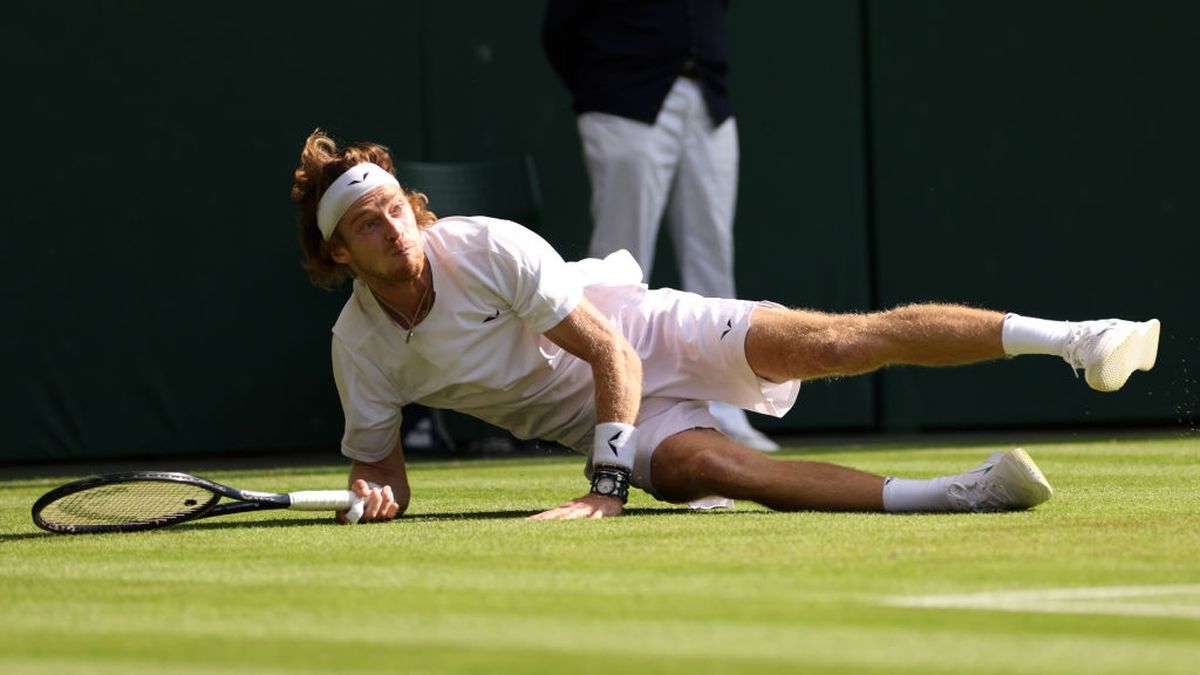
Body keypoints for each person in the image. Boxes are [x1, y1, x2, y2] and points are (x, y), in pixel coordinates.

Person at [290, 130, 1161, 523]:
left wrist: (606, 486)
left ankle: (1078, 338)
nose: (394, 227)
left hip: (647, 337)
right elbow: (382, 468)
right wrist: (376, 495)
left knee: (835, 342)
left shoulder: (485, 247)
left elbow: (609, 349)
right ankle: (964, 493)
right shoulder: (358, 349)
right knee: (714, 469)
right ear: (339, 256)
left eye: (397, 207)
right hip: (617, 421)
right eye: (368, 223)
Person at [541, 0, 779, 451]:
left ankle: (727, 412)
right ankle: (612, 409)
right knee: (618, 264)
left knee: (713, 257)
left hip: (707, 98)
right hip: (623, 99)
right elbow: (560, 31)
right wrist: (605, 85)